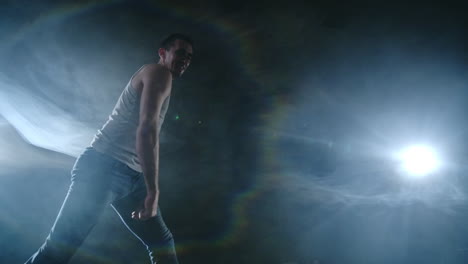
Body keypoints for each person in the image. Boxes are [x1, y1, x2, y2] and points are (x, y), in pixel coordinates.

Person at [25, 33, 194, 264]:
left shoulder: (163, 78)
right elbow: (147, 130)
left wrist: (145, 184)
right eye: (180, 52)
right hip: (104, 169)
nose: (186, 59)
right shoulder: (159, 73)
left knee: (162, 244)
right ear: (163, 53)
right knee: (57, 252)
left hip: (131, 176)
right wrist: (153, 192)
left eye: (189, 56)